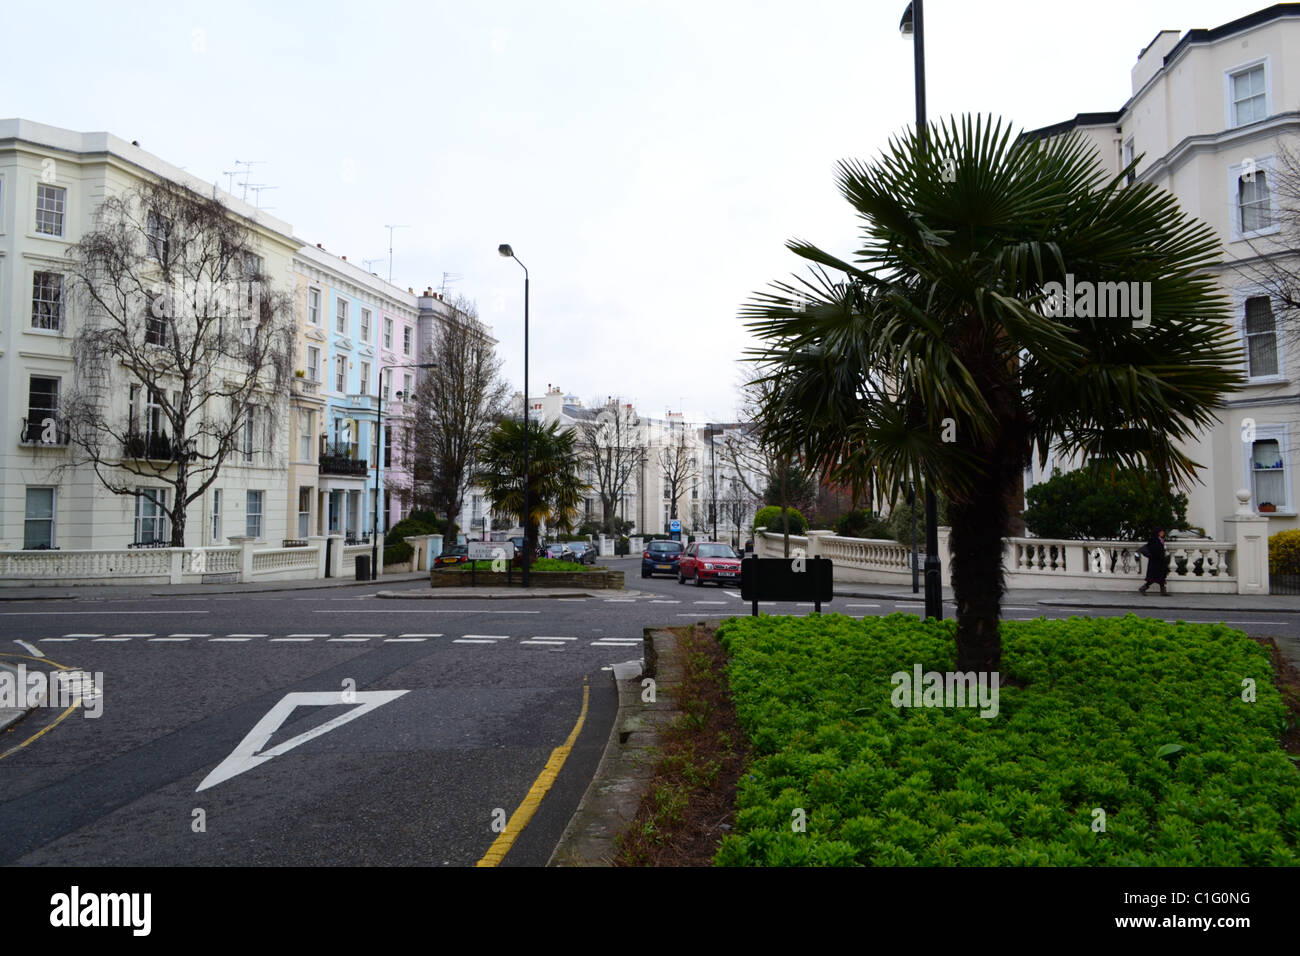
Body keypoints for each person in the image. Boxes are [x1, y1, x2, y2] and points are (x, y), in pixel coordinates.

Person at [1138, 527, 1168, 595]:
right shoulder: (1154, 540)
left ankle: (1163, 591)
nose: (1163, 533)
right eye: (1161, 532)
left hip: (1160, 561)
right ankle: (1143, 588)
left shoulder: (1161, 540)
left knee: (1161, 576)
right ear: (1158, 533)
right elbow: (1154, 550)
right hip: (1155, 561)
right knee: (1154, 576)